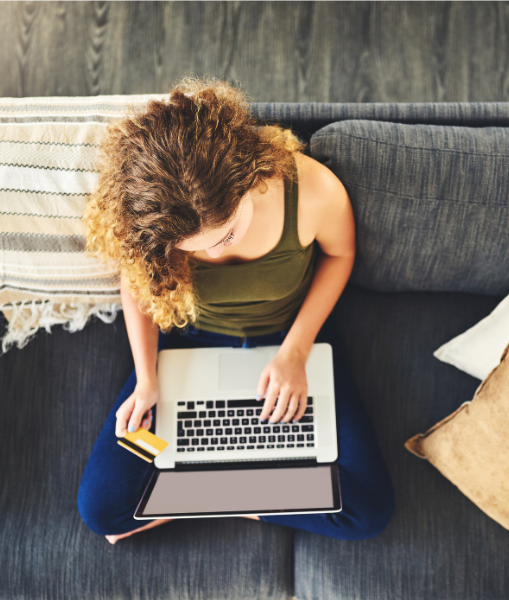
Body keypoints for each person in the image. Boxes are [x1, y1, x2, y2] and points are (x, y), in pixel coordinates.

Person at [76, 76, 395, 545]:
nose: (215, 255)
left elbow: (340, 256)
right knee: (101, 509)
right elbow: (138, 289)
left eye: (227, 234)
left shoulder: (311, 190)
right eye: (196, 251)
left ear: (248, 177)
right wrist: (147, 379)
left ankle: (194, 500)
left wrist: (295, 352)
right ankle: (239, 499)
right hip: (188, 341)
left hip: (290, 339)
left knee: (368, 511)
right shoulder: (152, 224)